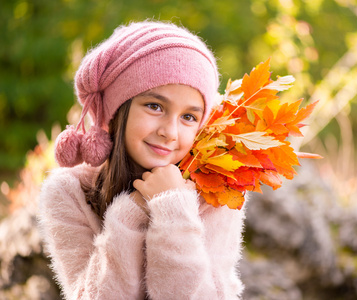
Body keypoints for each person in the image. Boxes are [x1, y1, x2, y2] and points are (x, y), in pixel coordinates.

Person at [38, 20, 246, 300]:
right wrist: (132, 210)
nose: (170, 132)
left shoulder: (216, 192)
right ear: (117, 110)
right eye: (154, 106)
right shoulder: (69, 192)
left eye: (188, 117)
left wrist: (174, 206)